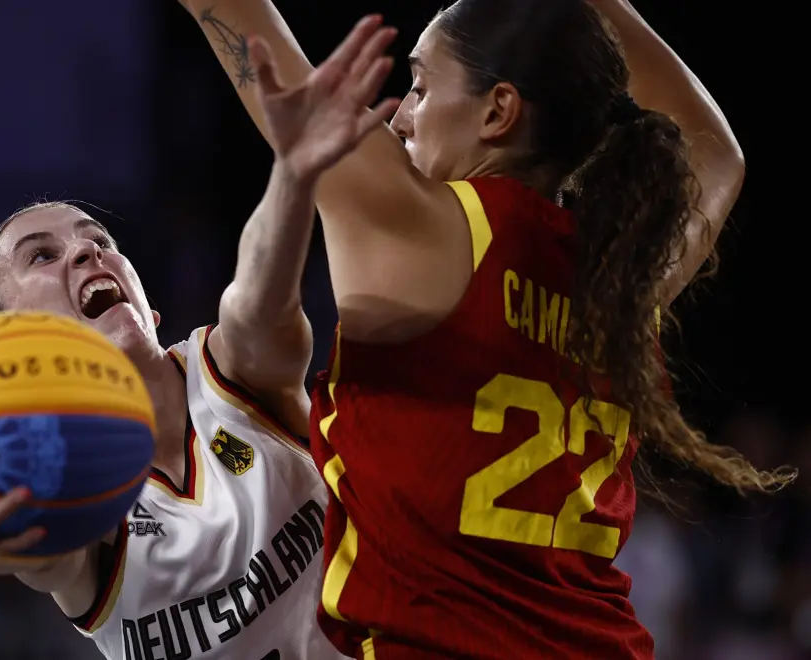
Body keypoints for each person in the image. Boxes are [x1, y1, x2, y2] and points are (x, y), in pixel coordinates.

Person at [179, 0, 796, 658]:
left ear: (498, 111)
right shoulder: (625, 279)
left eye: (420, 87)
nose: (401, 115)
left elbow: (238, 21)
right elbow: (715, 152)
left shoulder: (417, 224)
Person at [0, 32, 396, 658]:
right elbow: (31, 552)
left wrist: (293, 172)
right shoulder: (67, 489)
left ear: (150, 309)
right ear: (8, 343)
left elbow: (258, 301)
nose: (86, 252)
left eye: (99, 240)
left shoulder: (229, 371)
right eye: (42, 255)